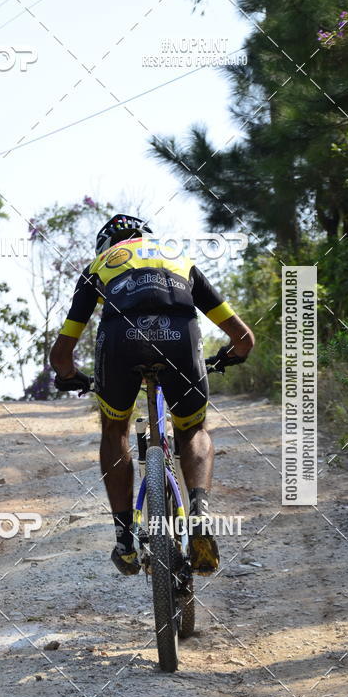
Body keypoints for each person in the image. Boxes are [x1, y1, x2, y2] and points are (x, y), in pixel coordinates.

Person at [49, 214, 255, 576]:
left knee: (114, 431)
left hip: (120, 341)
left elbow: (62, 353)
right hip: (180, 338)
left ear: (106, 246)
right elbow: (243, 338)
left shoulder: (100, 265)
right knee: (193, 429)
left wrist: (69, 375)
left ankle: (125, 540)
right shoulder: (179, 258)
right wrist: (228, 356)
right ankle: (200, 513)